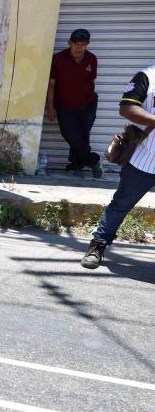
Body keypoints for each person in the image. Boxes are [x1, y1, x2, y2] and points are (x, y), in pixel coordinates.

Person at [81, 64, 155, 269]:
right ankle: (98, 245)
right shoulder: (147, 77)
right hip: (144, 159)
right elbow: (127, 108)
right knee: (120, 204)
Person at [46, 28, 104, 179]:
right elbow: (51, 84)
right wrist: (50, 107)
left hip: (88, 104)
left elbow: (90, 80)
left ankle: (75, 165)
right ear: (69, 43)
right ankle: (94, 160)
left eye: (83, 44)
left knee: (82, 136)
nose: (79, 48)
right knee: (70, 134)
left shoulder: (92, 59)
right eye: (76, 44)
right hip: (65, 105)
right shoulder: (58, 59)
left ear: (87, 44)